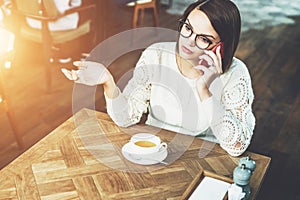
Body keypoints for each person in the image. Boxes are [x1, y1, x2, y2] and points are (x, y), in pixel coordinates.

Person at [62, 0, 255, 157]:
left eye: (204, 39)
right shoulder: (157, 54)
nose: (188, 40)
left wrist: (204, 90)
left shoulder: (235, 73)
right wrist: (107, 81)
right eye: (187, 27)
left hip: (204, 157)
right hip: (154, 148)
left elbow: (237, 147)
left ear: (220, 47)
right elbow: (126, 117)